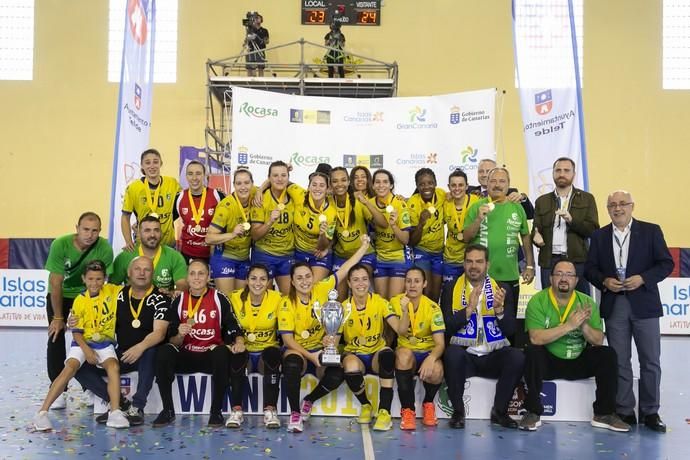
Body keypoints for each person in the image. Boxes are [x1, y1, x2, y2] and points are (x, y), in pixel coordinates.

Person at [585, 190, 673, 432]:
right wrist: (604, 281)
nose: (618, 208)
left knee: (650, 360)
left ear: (632, 206)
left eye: (623, 204)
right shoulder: (599, 236)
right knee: (620, 361)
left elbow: (666, 263)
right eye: (612, 205)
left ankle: (650, 412)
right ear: (608, 209)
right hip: (615, 304)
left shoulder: (651, 231)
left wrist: (643, 278)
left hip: (644, 303)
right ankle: (624, 410)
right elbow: (590, 269)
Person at [519, 260, 630, 433]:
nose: (564, 278)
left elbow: (598, 340)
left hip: (578, 360)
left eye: (569, 274)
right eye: (559, 274)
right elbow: (535, 338)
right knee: (531, 351)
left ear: (576, 280)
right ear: (551, 278)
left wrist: (584, 326)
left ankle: (604, 414)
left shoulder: (586, 302)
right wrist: (569, 326)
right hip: (549, 361)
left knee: (607, 354)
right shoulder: (538, 301)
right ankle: (532, 412)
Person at [279, 235, 371, 433]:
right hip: (301, 351)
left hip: (321, 349)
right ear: (293, 282)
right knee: (292, 363)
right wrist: (310, 356)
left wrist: (364, 247)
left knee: (338, 372)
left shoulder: (322, 289)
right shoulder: (286, 303)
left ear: (313, 277)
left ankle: (309, 400)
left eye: (308, 276)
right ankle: (295, 414)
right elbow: (287, 339)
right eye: (299, 278)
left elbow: (346, 268)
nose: (305, 281)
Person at [73, 256, 172, 426]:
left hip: (145, 353)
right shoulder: (116, 294)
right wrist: (72, 320)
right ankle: (119, 403)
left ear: (153, 273)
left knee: (152, 351)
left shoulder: (161, 298)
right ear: (128, 272)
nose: (141, 273)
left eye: (146, 269)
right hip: (121, 352)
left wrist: (140, 347)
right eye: (137, 269)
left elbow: (160, 333)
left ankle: (137, 407)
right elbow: (90, 304)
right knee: (78, 367)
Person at [33, 261, 129, 431]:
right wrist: (87, 351)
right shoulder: (79, 300)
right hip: (82, 343)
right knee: (69, 368)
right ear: (84, 278)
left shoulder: (112, 291)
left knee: (113, 367)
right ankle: (42, 413)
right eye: (90, 279)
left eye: (99, 279)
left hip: (105, 343)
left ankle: (115, 412)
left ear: (105, 279)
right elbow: (76, 332)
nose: (95, 283)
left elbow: (134, 288)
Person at [153, 260, 244, 428]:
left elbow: (233, 324)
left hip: (211, 355)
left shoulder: (219, 298)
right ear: (186, 278)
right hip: (187, 354)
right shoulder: (178, 300)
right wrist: (179, 334)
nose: (196, 278)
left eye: (201, 273)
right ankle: (168, 410)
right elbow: (172, 339)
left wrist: (239, 341)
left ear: (208, 276)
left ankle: (216, 411)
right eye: (192, 273)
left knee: (222, 352)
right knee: (164, 352)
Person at [441, 244, 523, 429]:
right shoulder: (451, 288)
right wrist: (468, 309)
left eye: (479, 261)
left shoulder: (502, 289)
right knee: (452, 354)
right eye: (469, 261)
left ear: (488, 264)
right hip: (465, 356)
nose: (474, 266)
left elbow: (510, 330)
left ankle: (500, 412)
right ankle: (458, 412)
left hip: (492, 355)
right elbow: (447, 327)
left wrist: (499, 310)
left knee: (516, 356)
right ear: (463, 264)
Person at [44, 212, 113, 409]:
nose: (89, 234)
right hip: (61, 295)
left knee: (89, 338)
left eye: (94, 231)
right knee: (55, 337)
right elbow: (55, 283)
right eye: (85, 229)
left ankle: (90, 387)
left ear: (99, 232)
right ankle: (57, 390)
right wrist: (58, 317)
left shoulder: (104, 248)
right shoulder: (60, 245)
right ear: (77, 228)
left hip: (86, 296)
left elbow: (104, 283)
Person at [463, 167, 535, 347]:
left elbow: (525, 237)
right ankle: (480, 356)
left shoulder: (517, 208)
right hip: (481, 279)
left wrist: (530, 265)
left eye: (502, 181)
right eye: (493, 181)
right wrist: (479, 219)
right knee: (481, 322)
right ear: (486, 184)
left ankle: (509, 360)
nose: (497, 185)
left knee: (508, 325)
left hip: (509, 277)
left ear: (508, 185)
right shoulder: (476, 207)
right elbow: (466, 237)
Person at [341, 263, 403, 431]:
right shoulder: (342, 308)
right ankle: (366, 405)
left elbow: (399, 329)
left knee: (387, 355)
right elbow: (334, 337)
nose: (360, 284)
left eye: (364, 279)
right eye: (356, 280)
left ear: (369, 281)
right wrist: (328, 340)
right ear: (349, 283)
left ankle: (384, 412)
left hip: (376, 352)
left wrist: (404, 313)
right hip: (355, 354)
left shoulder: (380, 302)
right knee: (350, 366)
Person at [225, 264, 284, 428]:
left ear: (268, 282)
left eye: (263, 279)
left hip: (267, 349)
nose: (258, 283)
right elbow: (228, 325)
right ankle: (236, 410)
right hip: (245, 348)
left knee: (273, 357)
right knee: (236, 359)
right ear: (246, 280)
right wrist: (236, 340)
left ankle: (270, 410)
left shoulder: (277, 298)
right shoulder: (234, 298)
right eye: (253, 278)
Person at [532, 157, 598, 294]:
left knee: (580, 303)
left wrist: (572, 221)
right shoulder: (541, 201)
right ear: (553, 174)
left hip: (577, 261)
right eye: (558, 170)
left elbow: (593, 230)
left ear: (574, 174)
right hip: (549, 261)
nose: (562, 174)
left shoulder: (587, 198)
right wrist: (535, 236)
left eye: (566, 170)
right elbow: (536, 229)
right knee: (549, 303)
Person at [391, 267, 446, 430]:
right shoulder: (395, 302)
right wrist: (404, 311)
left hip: (426, 351)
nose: (412, 285)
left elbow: (440, 344)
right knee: (403, 356)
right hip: (407, 352)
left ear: (424, 284)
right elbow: (400, 331)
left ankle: (428, 404)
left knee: (437, 370)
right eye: (408, 281)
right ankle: (407, 410)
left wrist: (431, 358)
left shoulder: (433, 308)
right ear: (404, 283)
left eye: (417, 281)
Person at [329, 167, 387, 299]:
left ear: (349, 182)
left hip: (364, 255)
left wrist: (366, 202)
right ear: (330, 184)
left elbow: (383, 224)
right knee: (339, 296)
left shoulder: (357, 200)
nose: (339, 184)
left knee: (359, 280)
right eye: (335, 181)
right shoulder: (328, 203)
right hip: (342, 256)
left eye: (343, 180)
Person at [250, 161, 299, 294]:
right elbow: (254, 235)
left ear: (288, 178)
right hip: (264, 254)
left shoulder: (294, 196)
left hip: (286, 255)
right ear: (269, 178)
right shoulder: (260, 199)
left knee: (290, 299)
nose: (279, 179)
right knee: (262, 298)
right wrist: (270, 222)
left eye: (283, 175)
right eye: (275, 175)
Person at [109, 216, 188, 295]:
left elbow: (182, 285)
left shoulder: (174, 256)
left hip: (163, 303)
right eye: (147, 231)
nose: (152, 235)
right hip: (132, 303)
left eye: (156, 230)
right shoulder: (124, 256)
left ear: (161, 233)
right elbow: (111, 286)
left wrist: (171, 293)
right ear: (139, 233)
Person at [206, 167, 254, 294]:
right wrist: (232, 234)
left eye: (246, 183)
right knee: (227, 301)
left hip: (244, 259)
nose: (243, 187)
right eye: (238, 183)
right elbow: (209, 238)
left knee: (240, 302)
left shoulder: (255, 195)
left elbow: (272, 183)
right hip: (225, 258)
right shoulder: (225, 206)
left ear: (252, 184)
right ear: (233, 185)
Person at [121, 148, 181, 250]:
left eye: (155, 162)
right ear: (142, 166)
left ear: (161, 163)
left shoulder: (172, 183)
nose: (152, 166)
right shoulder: (133, 188)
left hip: (168, 244)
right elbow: (125, 216)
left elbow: (184, 203)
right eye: (147, 163)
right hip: (144, 243)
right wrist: (128, 241)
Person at [369, 169, 413, 299]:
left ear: (391, 185)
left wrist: (394, 226)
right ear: (372, 185)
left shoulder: (400, 204)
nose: (381, 185)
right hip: (380, 258)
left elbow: (405, 239)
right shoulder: (369, 203)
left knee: (394, 303)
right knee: (382, 303)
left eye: (385, 182)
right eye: (377, 182)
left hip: (399, 258)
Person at [174, 160, 224, 264]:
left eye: (198, 173)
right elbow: (168, 223)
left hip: (212, 255)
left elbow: (227, 223)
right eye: (190, 174)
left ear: (205, 175)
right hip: (187, 254)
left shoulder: (218, 196)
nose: (194, 178)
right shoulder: (179, 198)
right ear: (186, 176)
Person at [408, 168, 446, 301]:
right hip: (422, 251)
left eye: (430, 183)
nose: (426, 187)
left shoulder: (441, 194)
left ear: (435, 183)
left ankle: (433, 319)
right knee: (426, 291)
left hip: (439, 252)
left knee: (436, 294)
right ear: (417, 186)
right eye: (422, 184)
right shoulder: (412, 203)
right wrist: (421, 223)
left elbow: (459, 193)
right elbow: (412, 241)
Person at [293, 170, 337, 282]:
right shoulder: (299, 195)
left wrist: (322, 235)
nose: (317, 188)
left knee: (313, 288)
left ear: (327, 189)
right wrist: (260, 190)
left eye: (322, 185)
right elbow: (280, 181)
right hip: (298, 252)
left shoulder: (332, 213)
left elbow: (324, 246)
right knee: (298, 287)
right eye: (314, 184)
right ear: (308, 187)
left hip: (319, 254)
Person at [441, 169, 479, 284]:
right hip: (450, 259)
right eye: (453, 185)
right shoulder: (445, 203)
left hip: (471, 259)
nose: (457, 188)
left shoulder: (476, 201)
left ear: (467, 186)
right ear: (449, 187)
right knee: (449, 294)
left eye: (461, 185)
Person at [468, 158, 534, 218]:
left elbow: (530, 215)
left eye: (488, 171)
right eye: (481, 171)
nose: (484, 175)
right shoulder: (468, 191)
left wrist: (522, 197)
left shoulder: (510, 192)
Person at [244, 12, 269, 77]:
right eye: (255, 18)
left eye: (258, 18)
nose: (256, 19)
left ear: (261, 20)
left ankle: (261, 84)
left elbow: (267, 41)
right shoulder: (250, 30)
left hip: (260, 51)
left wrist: (258, 38)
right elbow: (246, 41)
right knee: (250, 69)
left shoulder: (264, 30)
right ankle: (249, 84)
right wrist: (247, 41)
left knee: (260, 68)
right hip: (251, 51)